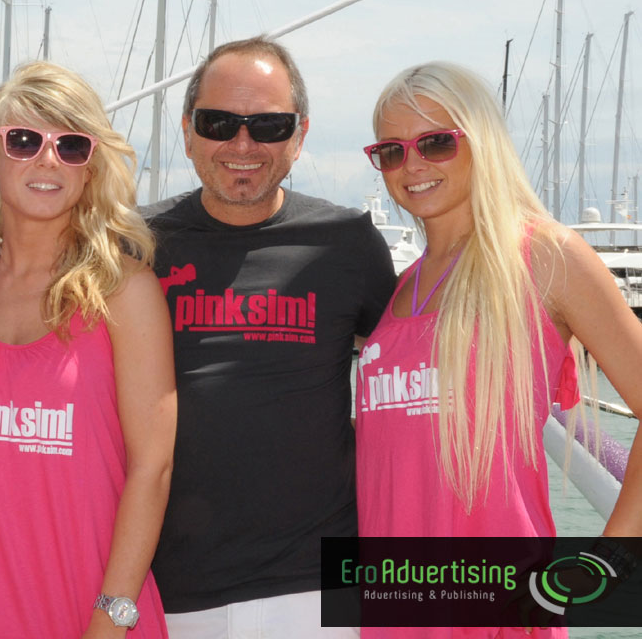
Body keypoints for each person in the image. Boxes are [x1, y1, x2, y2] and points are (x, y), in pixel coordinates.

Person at [355, 62, 642, 637]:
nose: (411, 165)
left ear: (480, 142)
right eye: (390, 150)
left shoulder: (544, 257)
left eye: (436, 142)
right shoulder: (398, 292)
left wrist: (605, 566)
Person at [0, 61, 177, 638]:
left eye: (71, 145)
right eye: (25, 140)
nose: (47, 159)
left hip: (87, 614)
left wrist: (110, 620)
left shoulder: (126, 292)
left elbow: (152, 469)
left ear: (90, 168)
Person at [145, 37, 396, 637]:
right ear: (187, 131)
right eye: (218, 123)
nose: (242, 144)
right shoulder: (136, 244)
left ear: (300, 135)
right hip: (169, 586)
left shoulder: (349, 243)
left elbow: (414, 374)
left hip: (321, 584)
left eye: (268, 125)